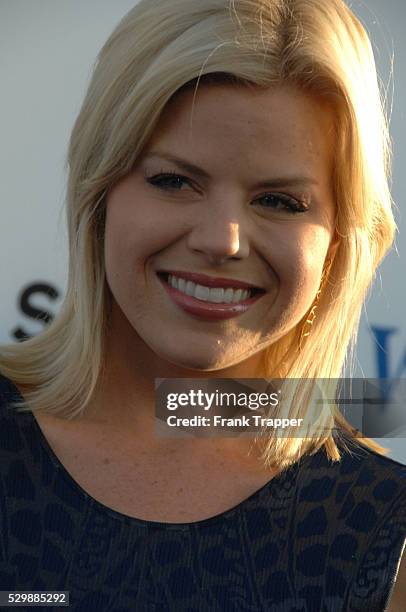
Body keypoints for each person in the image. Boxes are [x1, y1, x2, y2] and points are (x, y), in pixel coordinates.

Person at [0, 0, 405, 610]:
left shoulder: (382, 525)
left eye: (279, 201)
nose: (222, 240)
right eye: (174, 181)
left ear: (341, 240)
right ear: (99, 191)